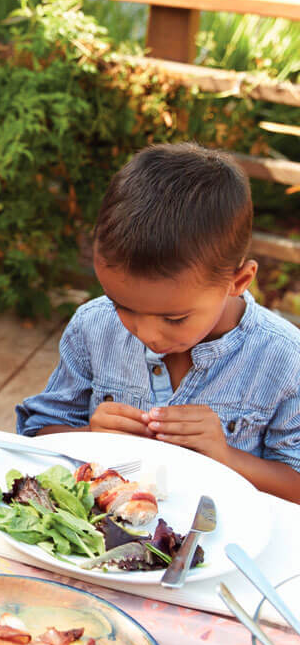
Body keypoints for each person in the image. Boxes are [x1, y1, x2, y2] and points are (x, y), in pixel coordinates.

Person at [16, 143, 300, 503]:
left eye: (175, 318)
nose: (147, 335)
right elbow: (36, 433)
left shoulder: (285, 359)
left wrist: (226, 457)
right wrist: (90, 436)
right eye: (123, 306)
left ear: (238, 282)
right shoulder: (94, 327)